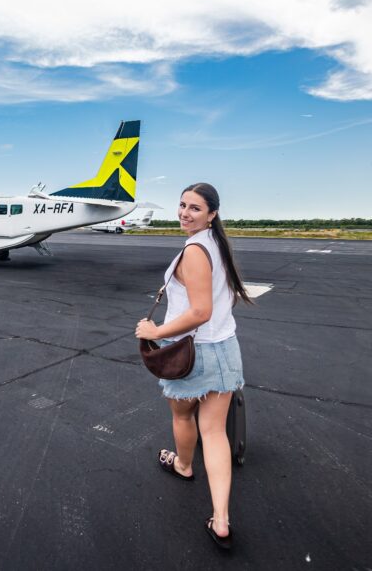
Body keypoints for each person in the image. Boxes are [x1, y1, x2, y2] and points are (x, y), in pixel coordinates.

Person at [135, 182, 252, 550]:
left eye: (195, 208)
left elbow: (200, 312)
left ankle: (184, 466)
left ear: (211, 214)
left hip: (193, 354)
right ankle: (221, 520)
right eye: (182, 205)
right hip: (225, 349)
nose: (185, 213)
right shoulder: (218, 245)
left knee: (183, 418)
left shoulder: (194, 251)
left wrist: (155, 331)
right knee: (214, 433)